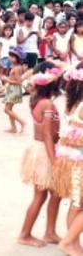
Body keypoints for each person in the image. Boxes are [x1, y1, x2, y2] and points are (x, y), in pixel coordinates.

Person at [18, 62, 62, 247]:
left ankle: (50, 232)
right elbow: (47, 134)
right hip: (45, 151)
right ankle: (24, 235)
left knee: (56, 192)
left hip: (41, 148)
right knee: (40, 195)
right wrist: (55, 161)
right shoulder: (48, 105)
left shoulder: (39, 101)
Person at [56, 64, 83, 255]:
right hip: (78, 162)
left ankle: (73, 243)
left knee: (76, 203)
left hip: (71, 160)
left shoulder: (73, 102)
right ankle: (68, 242)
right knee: (77, 203)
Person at [0, 46, 27, 133]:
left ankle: (22, 122)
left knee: (7, 109)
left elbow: (19, 82)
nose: (10, 58)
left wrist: (7, 79)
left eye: (13, 57)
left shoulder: (17, 68)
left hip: (14, 89)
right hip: (11, 89)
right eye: (10, 56)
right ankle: (13, 127)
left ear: (17, 58)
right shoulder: (15, 67)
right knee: (9, 109)